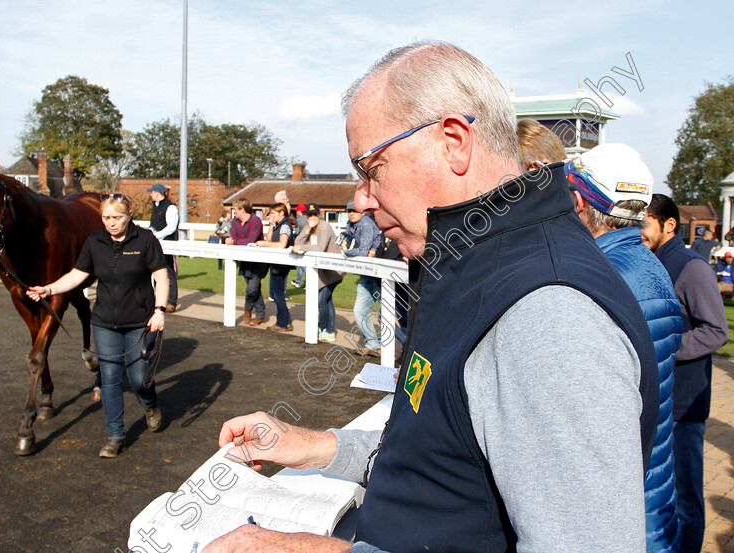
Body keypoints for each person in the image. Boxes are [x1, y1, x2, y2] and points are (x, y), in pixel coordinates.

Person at [206, 41, 660, 553]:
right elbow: (441, 460)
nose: (360, 197)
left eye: (371, 168)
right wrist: (314, 446)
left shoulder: (549, 314)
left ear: (454, 141)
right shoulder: (468, 265)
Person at [566, 143, 683, 553]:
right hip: (653, 490)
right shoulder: (649, 264)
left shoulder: (600, 279)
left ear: (579, 202)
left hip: (625, 510)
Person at [26, 193, 168, 458]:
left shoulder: (145, 240)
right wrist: (48, 289)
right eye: (106, 218)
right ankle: (115, 436)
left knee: (139, 379)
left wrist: (159, 311)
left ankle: (150, 404)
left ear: (129, 215)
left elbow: (161, 276)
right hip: (104, 323)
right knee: (111, 380)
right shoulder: (95, 242)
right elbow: (76, 275)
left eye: (116, 218)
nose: (111, 223)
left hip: (140, 322)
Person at [642, 193, 729, 553]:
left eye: (644, 224)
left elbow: (716, 330)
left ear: (669, 225)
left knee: (685, 499)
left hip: (684, 406)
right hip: (661, 402)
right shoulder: (654, 262)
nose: (639, 232)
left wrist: (666, 348)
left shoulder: (692, 267)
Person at [292, 203, 344, 342]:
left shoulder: (324, 227)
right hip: (323, 272)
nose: (313, 217)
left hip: (335, 270)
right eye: (310, 215)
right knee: (325, 299)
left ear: (319, 215)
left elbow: (320, 248)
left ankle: (327, 329)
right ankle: (325, 328)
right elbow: (297, 241)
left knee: (322, 298)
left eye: (315, 215)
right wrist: (308, 228)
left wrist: (301, 247)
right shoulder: (310, 227)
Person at [342, 200, 382, 355]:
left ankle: (407, 346)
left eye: (354, 210)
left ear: (363, 212)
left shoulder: (366, 224)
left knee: (386, 316)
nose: (351, 213)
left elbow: (363, 251)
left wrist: (346, 251)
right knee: (359, 311)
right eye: (349, 210)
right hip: (367, 276)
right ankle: (373, 344)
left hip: (380, 276)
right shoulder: (350, 224)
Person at [225, 198, 267, 326]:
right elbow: (234, 235)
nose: (234, 212)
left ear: (243, 210)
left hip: (258, 259)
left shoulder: (256, 221)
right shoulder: (235, 221)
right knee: (255, 289)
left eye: (236, 210)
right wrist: (235, 241)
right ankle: (260, 314)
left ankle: (247, 310)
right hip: (244, 259)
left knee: (251, 288)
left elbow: (251, 240)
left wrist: (235, 242)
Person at [256, 203, 295, 331]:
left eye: (273, 213)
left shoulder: (284, 226)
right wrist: (271, 224)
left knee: (277, 294)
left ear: (281, 213)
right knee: (277, 293)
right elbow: (270, 238)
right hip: (277, 263)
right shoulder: (280, 225)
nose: (271, 215)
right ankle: (287, 321)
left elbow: (282, 244)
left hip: (281, 264)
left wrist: (266, 244)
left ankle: (282, 323)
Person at [147, 183, 179, 313]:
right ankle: (157, 298)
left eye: (152, 192)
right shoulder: (155, 207)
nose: (150, 194)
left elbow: (171, 227)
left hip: (167, 244)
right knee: (155, 270)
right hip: (156, 243)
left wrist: (157, 235)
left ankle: (171, 302)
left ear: (157, 193)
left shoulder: (170, 207)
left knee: (169, 272)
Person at [290, 203, 308, 287]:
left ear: (300, 211)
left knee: (303, 264)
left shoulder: (299, 220)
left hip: (301, 243)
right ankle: (298, 281)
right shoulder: (308, 218)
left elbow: (296, 232)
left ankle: (309, 282)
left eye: (297, 210)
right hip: (308, 242)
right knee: (301, 263)